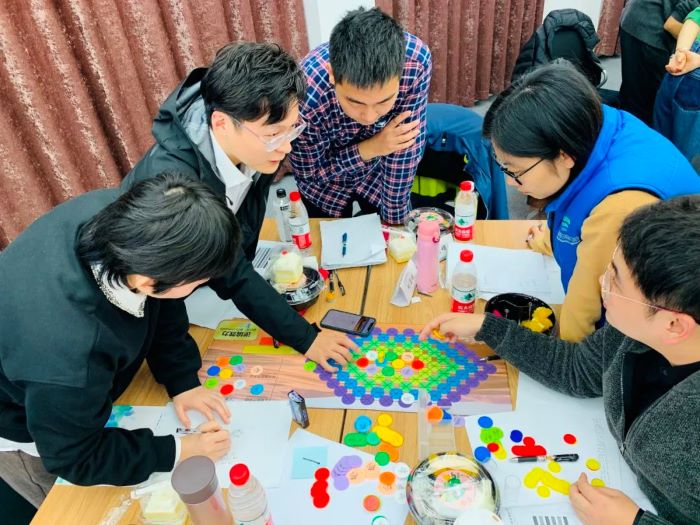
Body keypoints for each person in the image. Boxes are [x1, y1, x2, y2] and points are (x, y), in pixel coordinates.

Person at [421, 196, 700, 525]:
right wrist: (488, 328)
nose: (601, 283)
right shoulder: (631, 333)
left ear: (674, 325)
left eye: (615, 281)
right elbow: (578, 369)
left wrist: (634, 522)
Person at [0, 173, 239, 507]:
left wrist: (182, 380)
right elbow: (75, 457)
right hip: (25, 419)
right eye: (198, 281)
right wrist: (177, 449)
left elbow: (162, 302)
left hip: (59, 373)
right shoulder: (69, 355)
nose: (201, 285)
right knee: (70, 507)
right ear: (146, 280)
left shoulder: (127, 219)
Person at [123, 42, 358, 372]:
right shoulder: (173, 187)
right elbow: (192, 283)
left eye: (292, 129)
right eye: (274, 134)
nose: (286, 146)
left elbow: (237, 244)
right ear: (221, 123)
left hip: (207, 280)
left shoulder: (257, 149)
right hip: (158, 303)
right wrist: (307, 338)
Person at [484, 60, 700, 343]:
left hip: (654, 336)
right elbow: (578, 201)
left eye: (515, 171)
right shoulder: (592, 124)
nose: (510, 182)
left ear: (563, 156)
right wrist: (551, 238)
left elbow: (584, 309)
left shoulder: (618, 207)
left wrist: (562, 356)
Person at [289, 7, 432, 224]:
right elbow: (311, 174)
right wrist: (371, 148)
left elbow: (405, 149)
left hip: (376, 172)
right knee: (326, 240)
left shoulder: (416, 63)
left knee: (390, 230)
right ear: (332, 74)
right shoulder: (305, 95)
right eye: (355, 102)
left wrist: (394, 221)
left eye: (383, 101)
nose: (369, 117)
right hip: (324, 188)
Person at [618, 0, 699, 125]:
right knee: (646, 104)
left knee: (632, 94)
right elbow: (672, 25)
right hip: (650, 29)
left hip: (633, 15)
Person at [653, 7, 700, 163]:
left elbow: (695, 19)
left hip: (682, 62)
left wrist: (681, 52)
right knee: (688, 161)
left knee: (660, 146)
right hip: (690, 64)